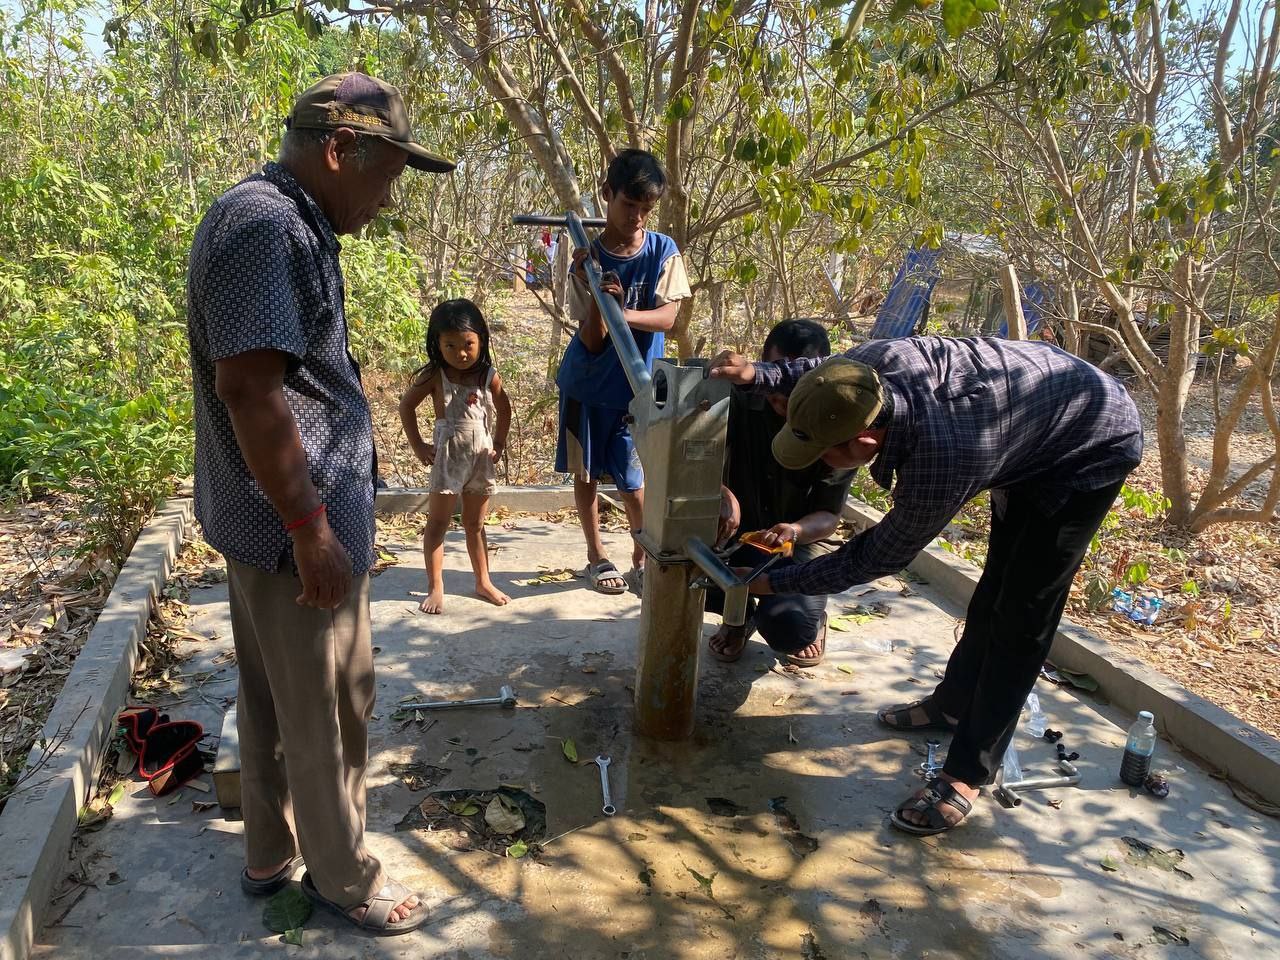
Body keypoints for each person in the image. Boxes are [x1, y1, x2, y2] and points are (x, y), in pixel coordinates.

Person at [186, 72, 455, 935]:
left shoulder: (279, 218)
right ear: (340, 150)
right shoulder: (267, 227)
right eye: (386, 177)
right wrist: (313, 530)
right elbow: (251, 391)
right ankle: (345, 882)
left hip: (264, 524)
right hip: (291, 531)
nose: (387, 199)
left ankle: (271, 853)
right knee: (330, 710)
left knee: (271, 698)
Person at [709, 336, 1142, 836]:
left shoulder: (943, 458)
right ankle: (953, 705)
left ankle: (968, 772)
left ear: (866, 444)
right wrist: (756, 374)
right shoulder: (866, 370)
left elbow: (874, 556)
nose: (821, 469)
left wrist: (774, 581)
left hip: (1087, 445)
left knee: (1023, 615)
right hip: (1024, 421)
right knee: (994, 590)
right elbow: (820, 371)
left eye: (825, 457)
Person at [555, 148, 691, 594]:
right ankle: (596, 557)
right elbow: (592, 339)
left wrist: (623, 311)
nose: (636, 217)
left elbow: (668, 317)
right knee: (587, 475)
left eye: (645, 209)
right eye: (628, 205)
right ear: (606, 194)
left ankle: (641, 555)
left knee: (635, 484)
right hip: (588, 386)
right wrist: (596, 294)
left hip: (639, 390)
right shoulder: (585, 259)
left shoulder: (662, 251)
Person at [708, 319, 853, 667]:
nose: (782, 401)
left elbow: (829, 516)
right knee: (688, 574)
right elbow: (695, 457)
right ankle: (737, 620)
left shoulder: (839, 418)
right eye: (777, 384)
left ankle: (810, 620)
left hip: (797, 544)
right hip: (739, 534)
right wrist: (720, 492)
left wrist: (796, 531)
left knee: (789, 628)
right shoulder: (739, 400)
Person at [399, 298, 513, 614]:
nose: (460, 353)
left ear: (481, 339)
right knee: (437, 522)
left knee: (475, 524)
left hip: (480, 459)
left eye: (468, 344)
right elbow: (407, 406)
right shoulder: (436, 376)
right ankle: (436, 587)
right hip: (448, 458)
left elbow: (504, 409)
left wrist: (499, 444)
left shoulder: (489, 375)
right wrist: (419, 445)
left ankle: (483, 581)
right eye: (450, 346)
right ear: (437, 345)